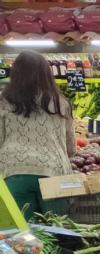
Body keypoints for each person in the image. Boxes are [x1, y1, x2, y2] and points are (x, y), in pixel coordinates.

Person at [0, 51, 76, 217]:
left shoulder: (3, 102)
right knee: (58, 230)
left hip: (15, 172)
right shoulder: (60, 103)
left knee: (22, 235)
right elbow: (71, 147)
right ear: (46, 74)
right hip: (53, 172)